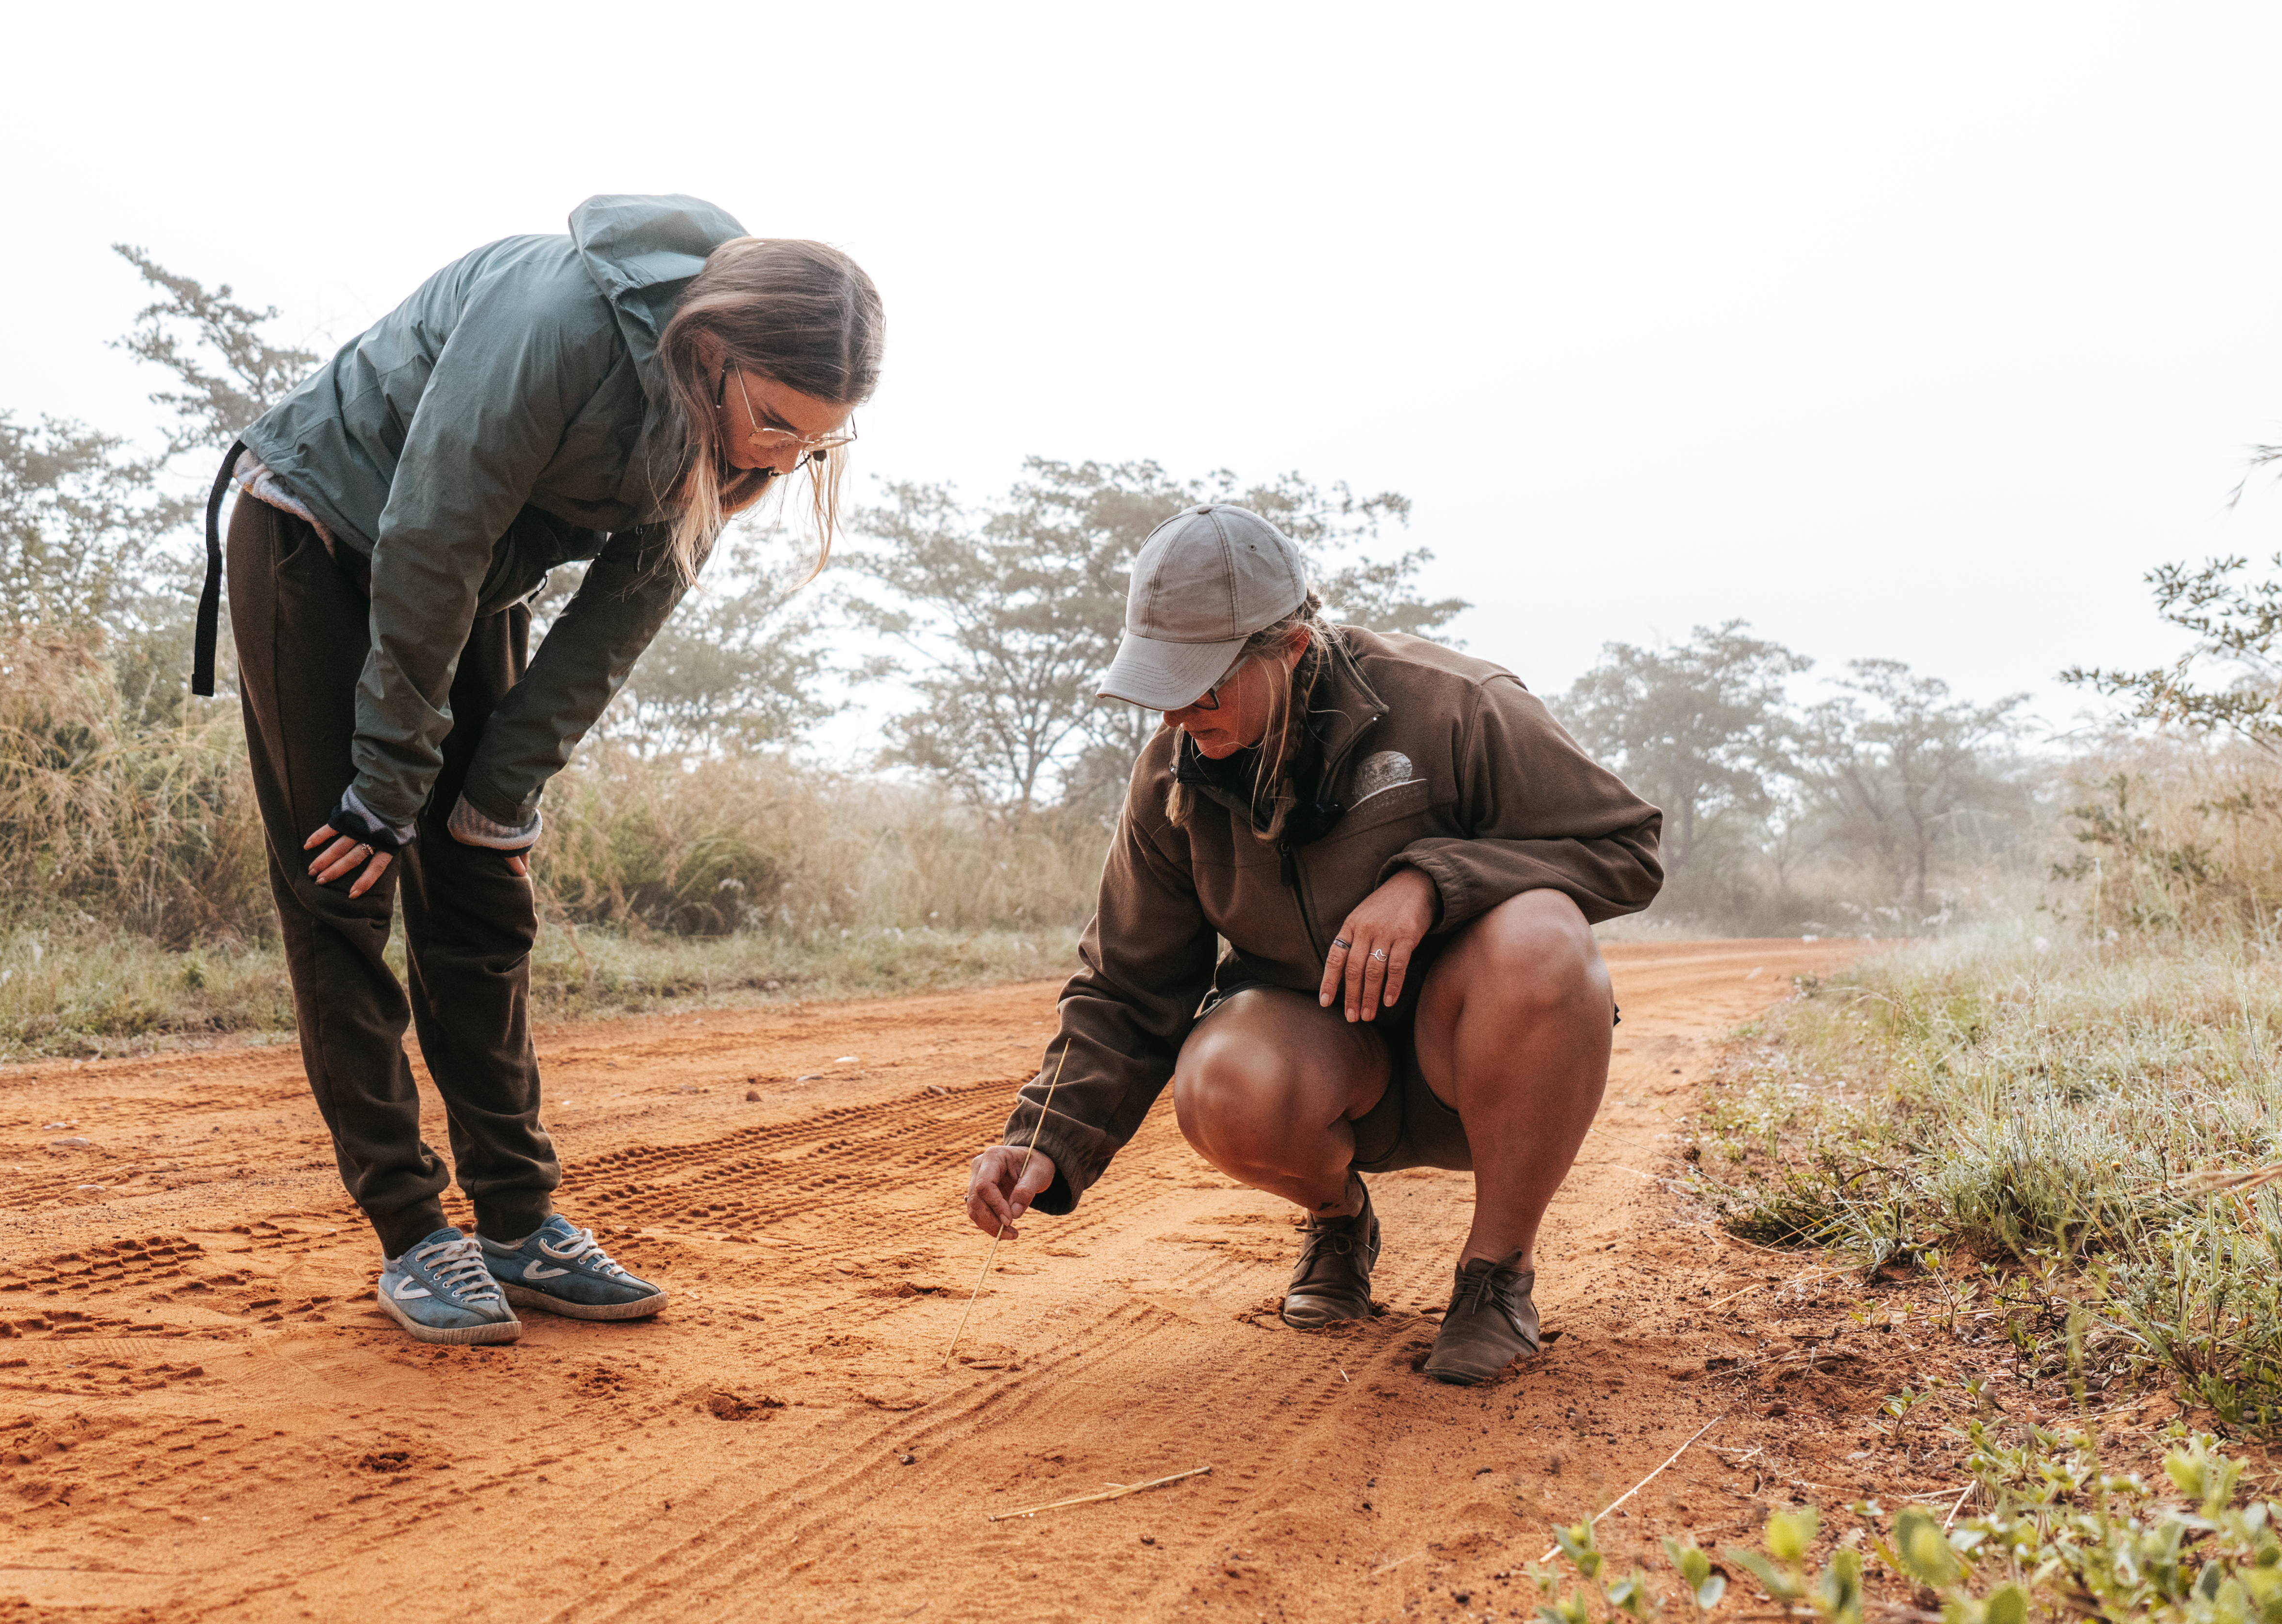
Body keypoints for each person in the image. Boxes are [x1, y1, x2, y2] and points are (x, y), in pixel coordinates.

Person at [203, 195, 883, 1344]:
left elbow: (613, 626)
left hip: (460, 582)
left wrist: (498, 792)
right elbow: (430, 532)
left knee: (479, 883)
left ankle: (519, 1222)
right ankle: (415, 1232)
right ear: (708, 349)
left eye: (816, 441)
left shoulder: (730, 432)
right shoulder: (553, 319)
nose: (783, 457)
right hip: (320, 537)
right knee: (345, 879)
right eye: (774, 421)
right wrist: (386, 784)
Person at [961, 504, 1661, 1384]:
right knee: (1218, 1075)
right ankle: (1338, 1219)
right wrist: (1043, 1138)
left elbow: (1628, 847)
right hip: (1328, 1070)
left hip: (1471, 1062)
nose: (1179, 711)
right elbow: (1128, 985)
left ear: (1289, 647)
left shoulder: (1458, 705)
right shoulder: (1172, 776)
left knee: (1542, 935)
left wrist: (1430, 883)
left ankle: (1496, 1275)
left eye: (1205, 683)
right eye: (1162, 682)